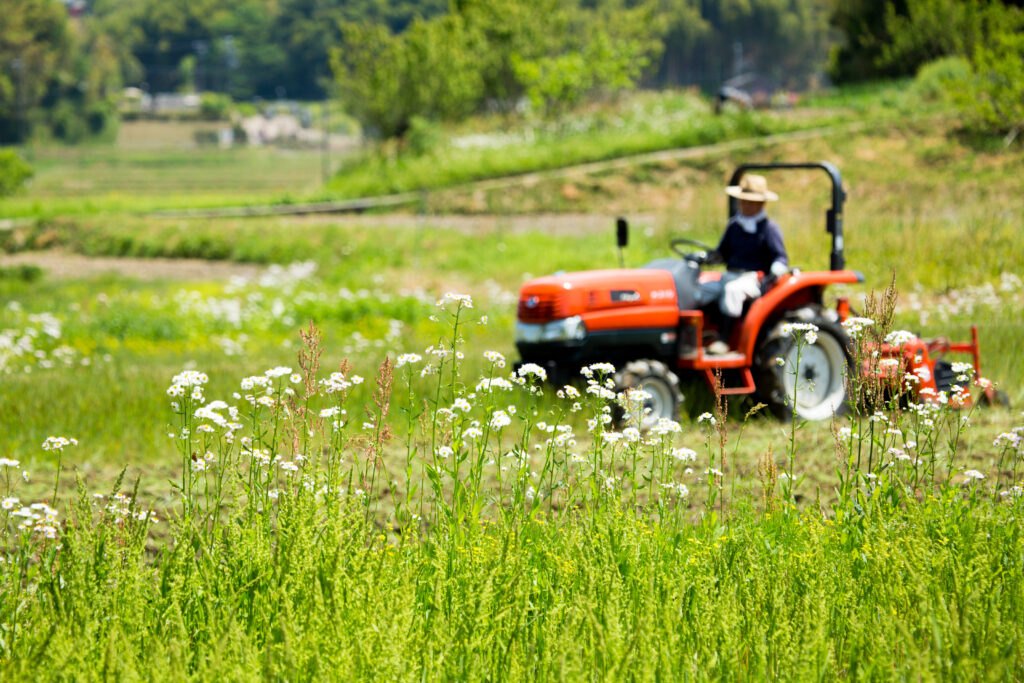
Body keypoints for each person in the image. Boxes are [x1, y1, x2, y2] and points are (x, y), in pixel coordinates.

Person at [700, 173, 789, 355]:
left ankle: (723, 340)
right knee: (702, 289)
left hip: (752, 278)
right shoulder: (734, 225)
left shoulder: (769, 228)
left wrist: (777, 266)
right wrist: (709, 258)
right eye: (743, 201)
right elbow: (722, 252)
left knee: (732, 291)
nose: (745, 205)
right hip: (730, 274)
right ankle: (699, 334)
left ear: (761, 204)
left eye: (750, 202)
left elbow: (780, 257)